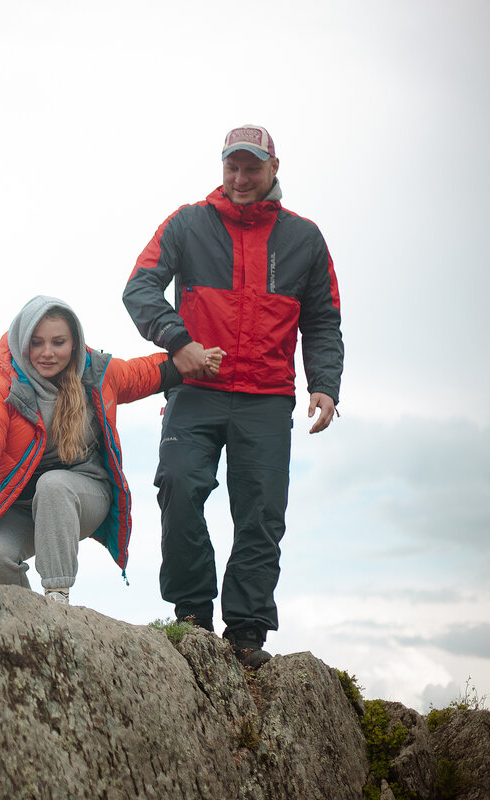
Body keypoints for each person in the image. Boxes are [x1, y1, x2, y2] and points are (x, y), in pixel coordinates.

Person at [122, 124, 343, 668]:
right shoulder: (187, 223)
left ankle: (246, 633)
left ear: (273, 169)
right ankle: (193, 615)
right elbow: (139, 289)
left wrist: (324, 385)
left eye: (252, 167)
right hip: (194, 391)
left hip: (267, 399)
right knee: (177, 484)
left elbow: (322, 321)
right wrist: (180, 342)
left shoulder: (305, 239)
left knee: (261, 514)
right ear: (222, 169)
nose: (241, 178)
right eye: (232, 167)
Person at [0, 295, 190, 603]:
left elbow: (142, 374)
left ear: (74, 343)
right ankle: (32, 631)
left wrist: (189, 360)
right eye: (36, 343)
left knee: (54, 485)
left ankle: (57, 597)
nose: (47, 353)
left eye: (58, 342)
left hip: (84, 494)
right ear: (22, 343)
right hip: (21, 507)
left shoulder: (97, 375)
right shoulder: (0, 386)